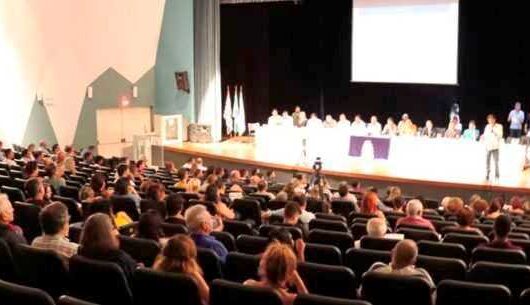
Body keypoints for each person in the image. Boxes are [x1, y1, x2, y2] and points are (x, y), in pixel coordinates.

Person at [153, 235, 210, 305]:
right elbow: (209, 297)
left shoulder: (157, 267)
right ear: (191, 254)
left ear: (166, 250)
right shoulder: (193, 275)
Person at [78, 213, 137, 279]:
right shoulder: (121, 259)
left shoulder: (80, 254)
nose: (117, 231)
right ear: (106, 235)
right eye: (113, 228)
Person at [366, 240, 435, 289]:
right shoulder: (423, 277)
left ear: (392, 253)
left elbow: (361, 294)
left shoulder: (375, 271)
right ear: (414, 260)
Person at [483, 114, 503, 180]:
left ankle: (497, 175)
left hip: (495, 147)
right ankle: (487, 174)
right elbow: (485, 135)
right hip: (488, 146)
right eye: (489, 119)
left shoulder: (499, 126)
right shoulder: (487, 126)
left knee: (496, 162)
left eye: (492, 119)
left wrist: (493, 130)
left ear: (494, 119)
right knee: (487, 161)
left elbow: (500, 135)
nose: (490, 120)